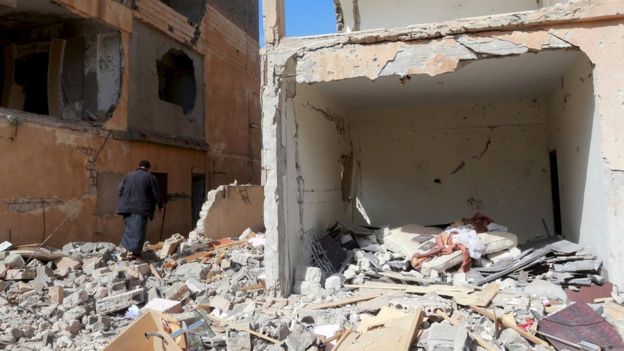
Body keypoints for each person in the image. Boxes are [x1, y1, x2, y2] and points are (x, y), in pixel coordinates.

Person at [116, 160, 163, 257]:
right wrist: (160, 205)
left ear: (138, 166)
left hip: (126, 208)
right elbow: (156, 193)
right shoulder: (150, 177)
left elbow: (120, 190)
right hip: (140, 208)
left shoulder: (128, 176)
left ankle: (125, 248)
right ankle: (135, 253)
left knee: (129, 229)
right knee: (138, 231)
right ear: (149, 168)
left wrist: (125, 201)